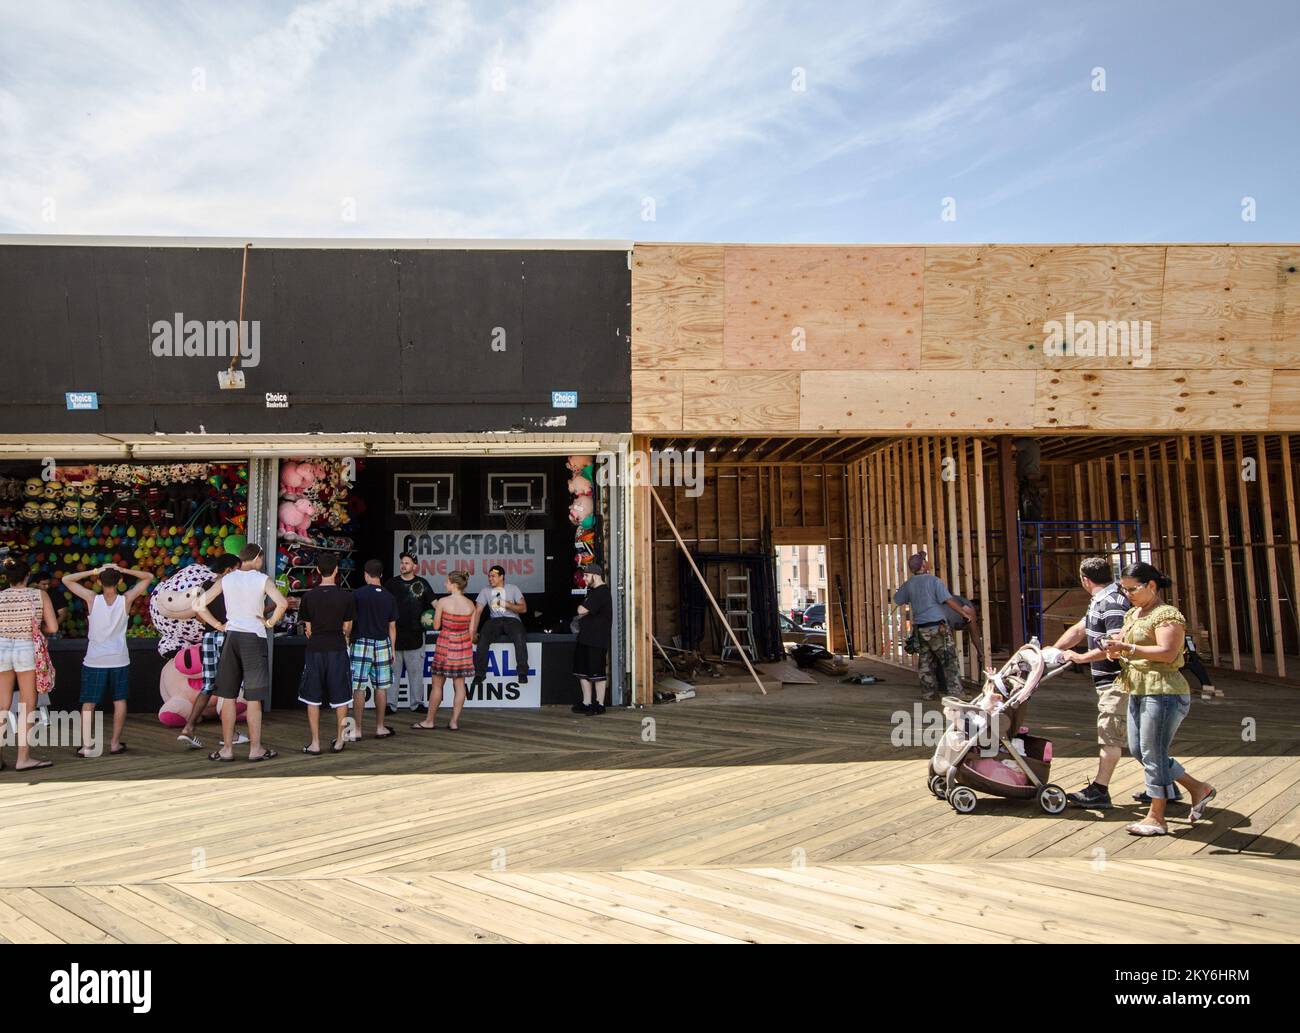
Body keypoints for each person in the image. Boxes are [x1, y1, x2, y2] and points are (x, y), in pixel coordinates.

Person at [1103, 561, 1217, 836]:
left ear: (1151, 586)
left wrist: (1127, 647)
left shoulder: (1167, 615)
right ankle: (1198, 788)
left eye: (1132, 589)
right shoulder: (1134, 614)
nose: (1127, 594)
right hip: (1139, 688)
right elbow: (1121, 641)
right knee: (1140, 750)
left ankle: (1156, 817)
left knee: (1153, 754)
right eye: (1124, 589)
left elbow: (1167, 652)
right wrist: (1112, 650)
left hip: (1164, 691)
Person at [1052, 557, 1144, 810]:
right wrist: (1050, 651)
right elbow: (1080, 630)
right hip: (1110, 680)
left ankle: (1100, 790)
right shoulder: (1101, 600)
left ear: (1085, 579)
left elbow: (1115, 644)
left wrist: (1080, 657)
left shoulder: (1112, 602)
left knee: (1110, 737)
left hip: (1117, 680)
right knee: (1140, 739)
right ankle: (1164, 786)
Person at [195, 543, 287, 762]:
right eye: (261, 560)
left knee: (228, 696)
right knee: (253, 698)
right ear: (257, 559)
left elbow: (198, 605)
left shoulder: (227, 579)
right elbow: (282, 603)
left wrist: (218, 625)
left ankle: (227, 749)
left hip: (232, 636)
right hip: (253, 638)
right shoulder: (261, 579)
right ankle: (255, 749)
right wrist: (270, 622)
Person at [61, 562, 153, 757]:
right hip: (119, 658)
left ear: (98, 581)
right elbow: (148, 577)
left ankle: (87, 746)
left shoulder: (92, 599)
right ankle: (114, 744)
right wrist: (124, 570)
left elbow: (66, 579)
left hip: (95, 659)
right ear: (119, 581)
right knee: (119, 700)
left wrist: (94, 571)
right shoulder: (126, 599)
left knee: (89, 702)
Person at [178, 554, 247, 749]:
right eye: (237, 568)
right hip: (228, 636)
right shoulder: (232, 586)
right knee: (229, 686)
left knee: (208, 686)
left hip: (208, 638)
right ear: (229, 570)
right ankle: (230, 734)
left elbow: (198, 614)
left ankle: (189, 728)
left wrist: (213, 624)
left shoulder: (206, 585)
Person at [0, 557, 58, 771]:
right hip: (26, 648)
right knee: (27, 705)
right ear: (27, 576)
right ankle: (23, 758)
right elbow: (52, 627)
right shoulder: (39, 595)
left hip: (1, 648)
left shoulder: (1, 597)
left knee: (2, 705)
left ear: (7, 578)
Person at [893, 551, 973, 701]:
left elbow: (898, 599)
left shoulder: (909, 584)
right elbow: (948, 600)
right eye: (925, 560)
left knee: (925, 661)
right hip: (937, 628)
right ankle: (956, 693)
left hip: (920, 629)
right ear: (923, 565)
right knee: (949, 660)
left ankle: (929, 693)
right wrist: (964, 613)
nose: (928, 562)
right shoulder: (934, 581)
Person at [298, 554, 355, 755]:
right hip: (338, 648)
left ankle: (315, 743)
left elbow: (308, 629)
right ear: (337, 570)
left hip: (315, 649)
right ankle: (340, 740)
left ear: (318, 571)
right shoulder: (346, 596)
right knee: (341, 696)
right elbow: (347, 628)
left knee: (312, 697)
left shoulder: (308, 597)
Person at [412, 570, 475, 732]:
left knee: (437, 686)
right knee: (460, 686)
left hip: (445, 646)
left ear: (454, 585)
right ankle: (454, 722)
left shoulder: (443, 602)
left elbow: (436, 626)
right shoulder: (470, 605)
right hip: (462, 647)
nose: (445, 584)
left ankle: (429, 721)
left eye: (447, 582)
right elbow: (472, 632)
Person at [349, 559, 398, 740]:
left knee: (359, 688)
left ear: (365, 574)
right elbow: (392, 626)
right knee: (381, 688)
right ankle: (379, 727)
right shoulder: (389, 596)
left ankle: (358, 729)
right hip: (383, 642)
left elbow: (349, 621)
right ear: (382, 575)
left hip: (361, 642)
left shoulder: (357, 594)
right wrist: (392, 649)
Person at [384, 552, 435, 712]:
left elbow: (435, 604)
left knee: (416, 673)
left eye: (407, 563)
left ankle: (417, 704)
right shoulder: (391, 583)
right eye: (402, 562)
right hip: (394, 635)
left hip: (415, 636)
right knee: (393, 673)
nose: (403, 565)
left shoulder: (422, 583)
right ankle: (390, 705)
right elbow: (382, 605)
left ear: (415, 566)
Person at [472, 565, 529, 690]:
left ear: (501, 577)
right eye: (489, 576)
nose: (490, 579)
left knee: (519, 637)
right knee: (483, 638)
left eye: (493, 576)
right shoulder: (485, 590)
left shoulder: (513, 588)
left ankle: (522, 672)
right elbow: (478, 612)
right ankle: (480, 674)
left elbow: (523, 608)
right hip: (495, 620)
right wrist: (473, 631)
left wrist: (507, 604)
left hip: (512, 620)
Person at [572, 565, 612, 716]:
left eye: (586, 576)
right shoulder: (593, 592)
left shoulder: (602, 592)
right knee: (582, 671)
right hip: (585, 637)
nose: (584, 579)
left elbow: (581, 610)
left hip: (597, 639)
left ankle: (600, 704)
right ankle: (586, 702)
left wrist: (583, 609)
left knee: (597, 673)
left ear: (595, 575)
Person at [34, 569, 68, 635]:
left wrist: (49, 628)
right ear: (36, 584)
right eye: (44, 584)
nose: (47, 586)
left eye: (48, 584)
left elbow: (63, 614)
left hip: (53, 632)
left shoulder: (56, 594)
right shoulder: (30, 594)